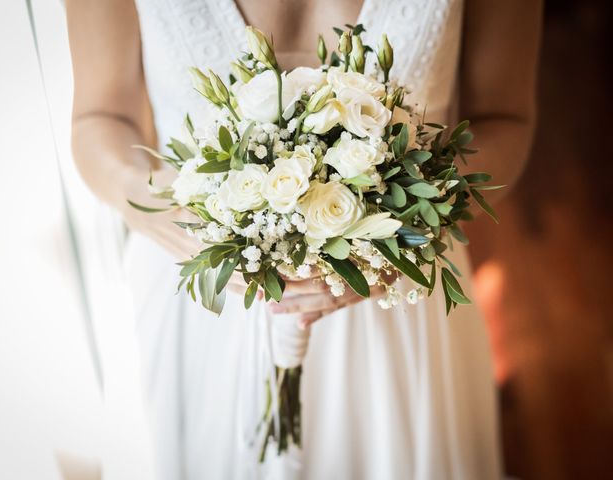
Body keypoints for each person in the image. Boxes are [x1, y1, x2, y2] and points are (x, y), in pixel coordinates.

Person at [67, 0, 541, 478]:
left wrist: (410, 230)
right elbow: (100, 116)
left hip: (397, 299)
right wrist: (159, 209)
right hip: (202, 299)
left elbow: (504, 118)